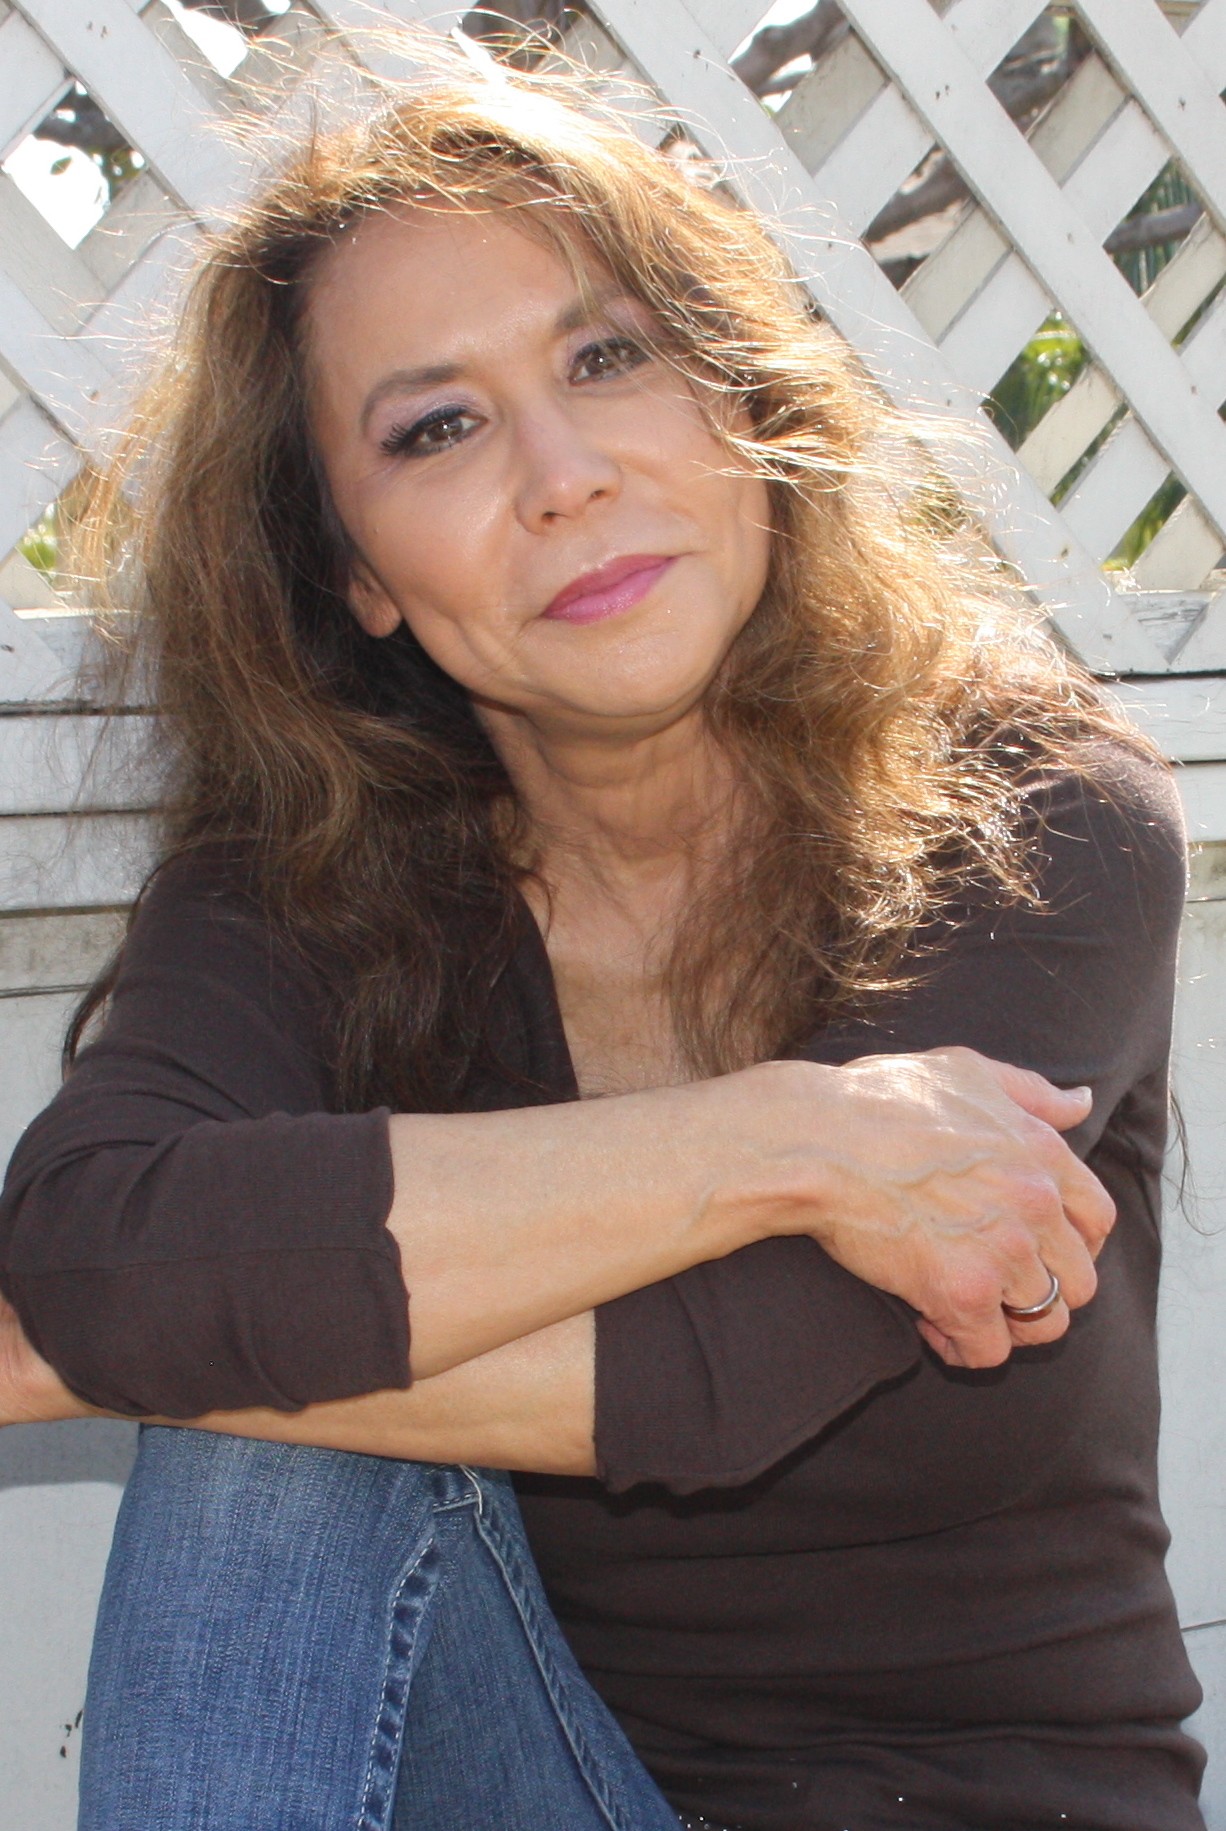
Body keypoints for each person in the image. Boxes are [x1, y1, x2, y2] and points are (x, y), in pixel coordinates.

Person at [0, 36, 1205, 1831]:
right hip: (552, 1788)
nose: (561, 475)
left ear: (738, 406)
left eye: (607, 357)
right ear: (358, 576)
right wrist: (793, 1136)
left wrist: (133, 1340)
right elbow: (94, 1233)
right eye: (436, 429)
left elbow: (734, 1371)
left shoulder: (1034, 814)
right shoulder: (311, 883)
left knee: (256, 1384)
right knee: (263, 1449)